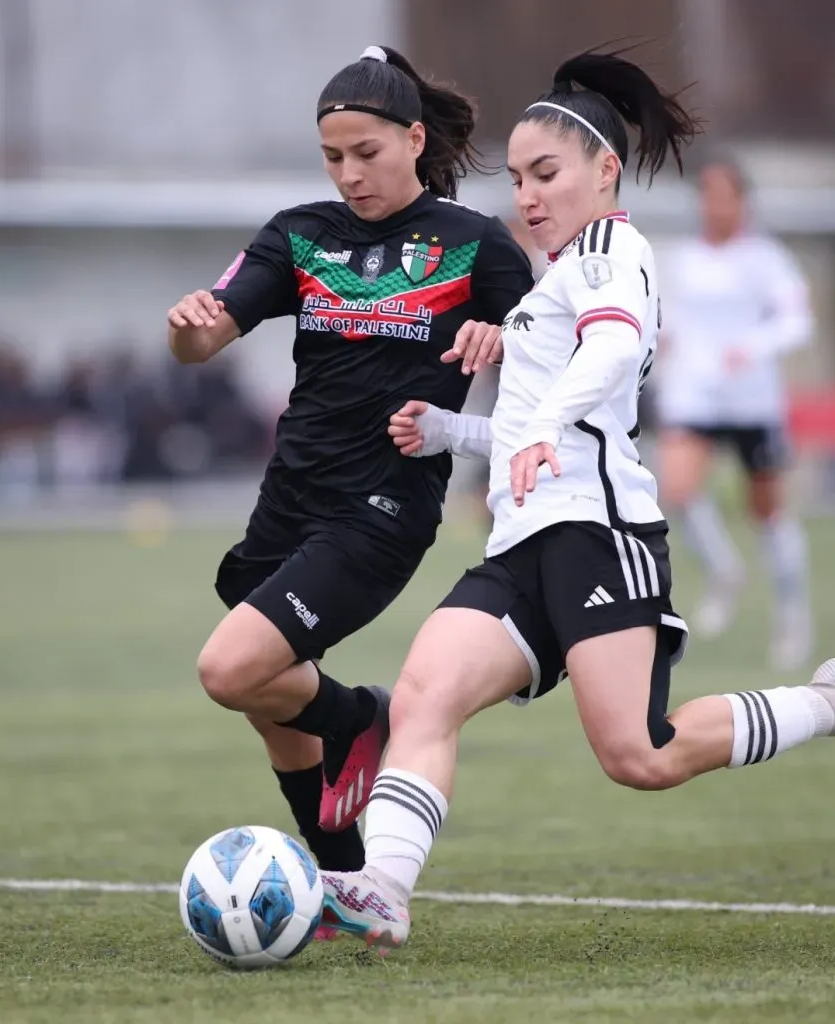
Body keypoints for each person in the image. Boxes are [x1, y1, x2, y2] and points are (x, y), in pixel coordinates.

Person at [316, 48, 835, 950]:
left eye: (546, 173)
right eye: (519, 177)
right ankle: (383, 888)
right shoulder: (556, 280)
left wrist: (533, 431)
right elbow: (554, 426)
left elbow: (606, 362)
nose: (527, 195)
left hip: (598, 537)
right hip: (524, 542)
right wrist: (460, 434)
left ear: (604, 171)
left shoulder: (617, 251)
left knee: (639, 756)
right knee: (422, 696)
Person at [166, 46, 534, 887]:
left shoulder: (473, 244)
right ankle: (340, 879)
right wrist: (187, 326)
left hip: (382, 508)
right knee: (270, 699)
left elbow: (554, 353)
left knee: (231, 670)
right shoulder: (300, 235)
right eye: (334, 157)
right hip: (288, 497)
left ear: (412, 139)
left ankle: (365, 715)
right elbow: (206, 335)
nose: (349, 174)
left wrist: (504, 339)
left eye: (365, 153)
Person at [653, 160, 814, 670]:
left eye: (724, 195)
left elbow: (797, 321)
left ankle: (793, 616)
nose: (714, 205)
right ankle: (724, 571)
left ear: (742, 201)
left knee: (767, 512)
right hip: (695, 395)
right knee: (676, 489)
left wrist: (753, 346)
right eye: (707, 195)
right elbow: (668, 315)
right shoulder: (683, 258)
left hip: (752, 400)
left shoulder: (766, 259)